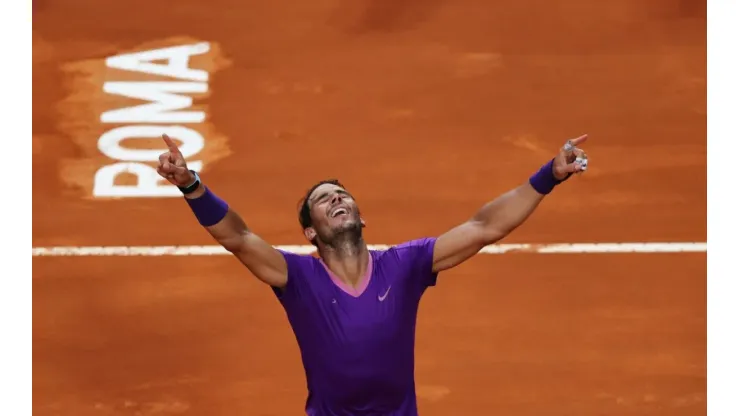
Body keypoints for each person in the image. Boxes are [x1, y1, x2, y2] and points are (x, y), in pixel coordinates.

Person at [156, 133, 590, 415]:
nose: (337, 200)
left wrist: (547, 176)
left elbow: (484, 227)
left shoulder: (405, 266)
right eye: (325, 200)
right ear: (310, 231)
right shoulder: (297, 279)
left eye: (343, 196)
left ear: (362, 220)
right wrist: (191, 185)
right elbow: (238, 237)